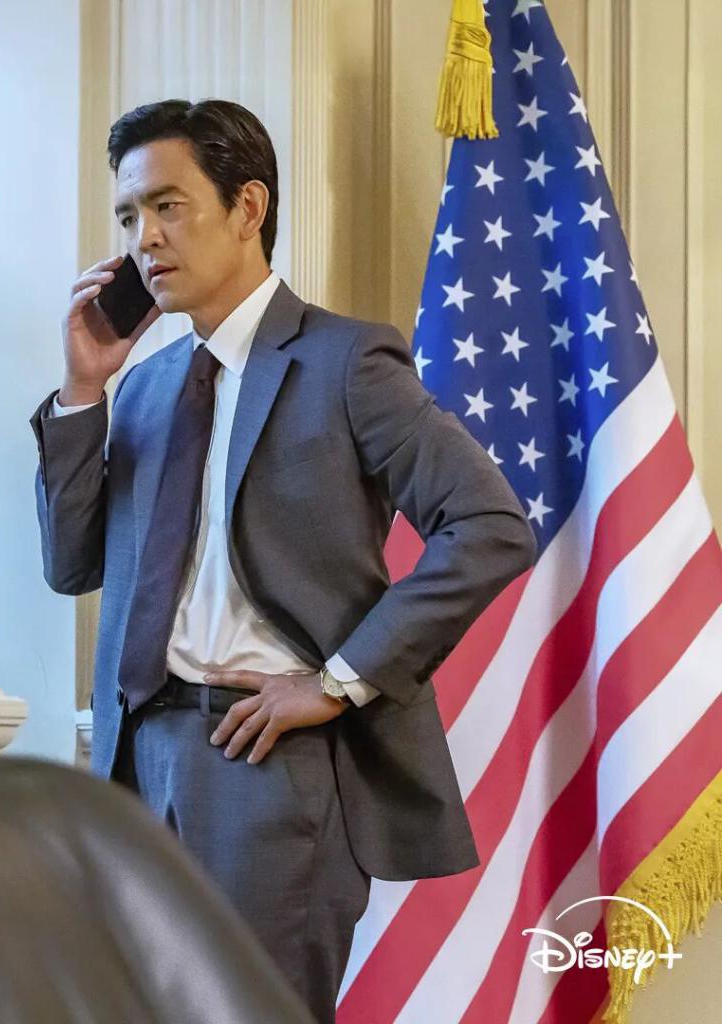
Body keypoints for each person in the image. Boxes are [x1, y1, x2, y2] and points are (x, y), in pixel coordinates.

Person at [29, 98, 537, 1024]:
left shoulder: (346, 362)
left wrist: (340, 681)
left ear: (248, 206)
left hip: (269, 767)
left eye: (169, 206)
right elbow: (71, 565)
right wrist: (81, 391)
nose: (145, 239)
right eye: (129, 216)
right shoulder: (142, 388)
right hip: (138, 765)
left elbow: (489, 523)